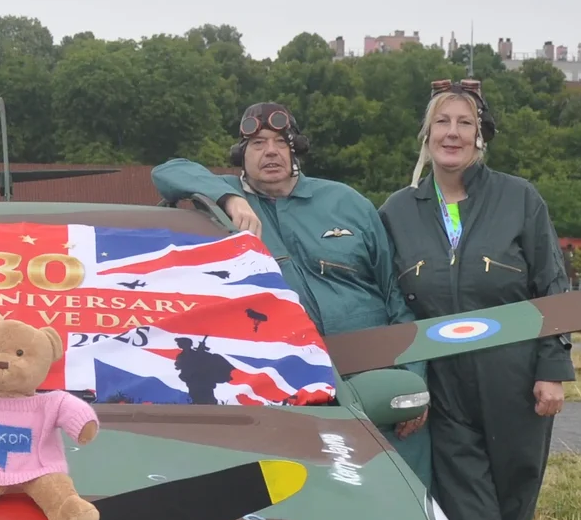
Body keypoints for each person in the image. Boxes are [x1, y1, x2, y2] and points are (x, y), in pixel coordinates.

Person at [379, 80, 571, 520]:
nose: (453, 133)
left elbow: (552, 287)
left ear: (479, 136)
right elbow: (387, 304)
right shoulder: (396, 211)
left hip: (516, 385)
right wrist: (402, 383)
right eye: (443, 123)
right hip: (445, 392)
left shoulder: (520, 200)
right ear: (427, 136)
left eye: (465, 123)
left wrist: (552, 367)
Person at [153, 103, 428, 473]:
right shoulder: (221, 201)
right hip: (287, 384)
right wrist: (228, 198)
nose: (270, 151)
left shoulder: (346, 202)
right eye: (257, 143)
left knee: (400, 484)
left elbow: (396, 298)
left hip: (373, 374)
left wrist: (414, 382)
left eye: (281, 142)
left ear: (295, 149)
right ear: (241, 155)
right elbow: (168, 172)